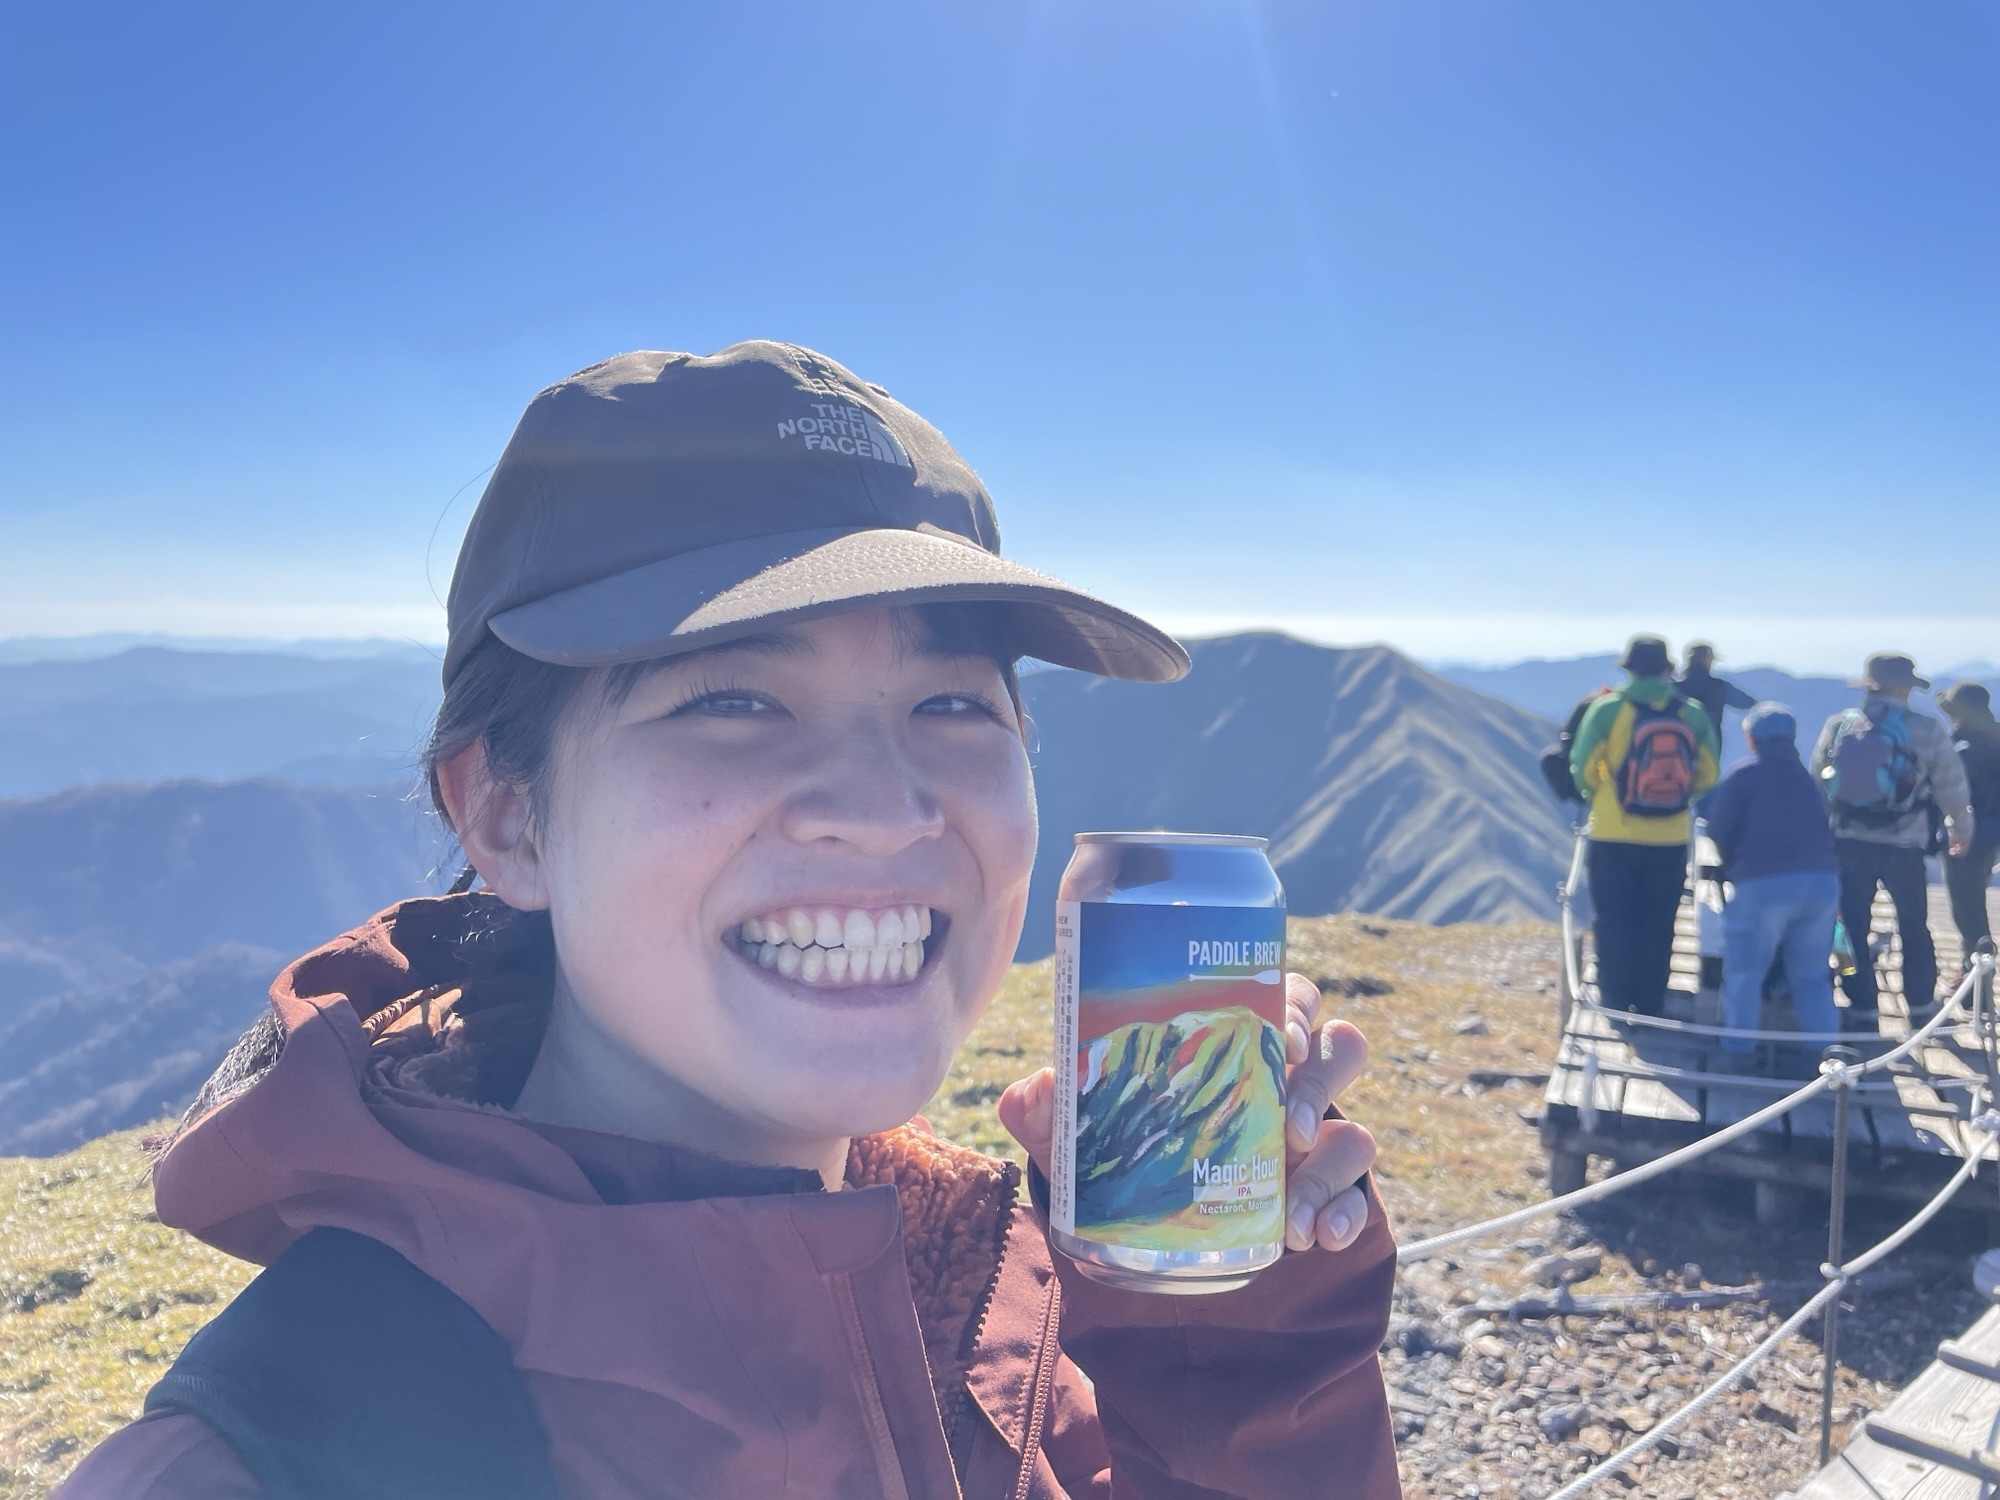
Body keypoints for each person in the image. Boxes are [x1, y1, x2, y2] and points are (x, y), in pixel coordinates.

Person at [57, 343, 1399, 1500]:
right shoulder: (265, 1466)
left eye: (954, 704)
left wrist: (1227, 1337)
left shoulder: (997, 1292)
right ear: (506, 820)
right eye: (733, 700)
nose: (885, 811)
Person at [1810, 653, 1975, 1029]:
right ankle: (1918, 1005)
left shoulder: (1840, 726)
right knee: (1914, 925)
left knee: (1849, 928)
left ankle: (1861, 1004)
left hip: (1848, 841)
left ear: (1869, 685)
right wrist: (1960, 831)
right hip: (1905, 844)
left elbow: (1818, 784)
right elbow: (1952, 787)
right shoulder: (1927, 729)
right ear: (1907, 687)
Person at [1570, 635, 1721, 1015]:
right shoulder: (1693, 712)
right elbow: (1709, 773)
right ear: (1667, 669)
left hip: (1611, 831)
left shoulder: (1607, 709)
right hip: (1669, 836)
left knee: (1614, 918)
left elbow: (1582, 766)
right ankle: (1651, 1002)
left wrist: (1600, 795)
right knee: (1659, 920)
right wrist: (1678, 797)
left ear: (1629, 668)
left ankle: (1617, 1002)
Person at [1696, 705, 1839, 1072]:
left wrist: (1733, 862)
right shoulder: (1807, 779)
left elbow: (1717, 826)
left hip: (1762, 886)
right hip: (1822, 884)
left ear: (1750, 738)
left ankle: (1738, 1054)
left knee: (1745, 973)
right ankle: (1821, 1058)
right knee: (1811, 975)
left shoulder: (1745, 775)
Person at [1938, 682, 2000, 970]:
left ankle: (1978, 975)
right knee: (1974, 902)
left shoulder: (1962, 748)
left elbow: (1952, 796)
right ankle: (1972, 969)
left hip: (1965, 836)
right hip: (1993, 836)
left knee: (1967, 909)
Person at [1676, 642, 1756, 742]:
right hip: (1710, 743)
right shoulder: (1719, 686)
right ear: (1707, 659)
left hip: (1677, 741)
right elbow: (1747, 703)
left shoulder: (1673, 685)